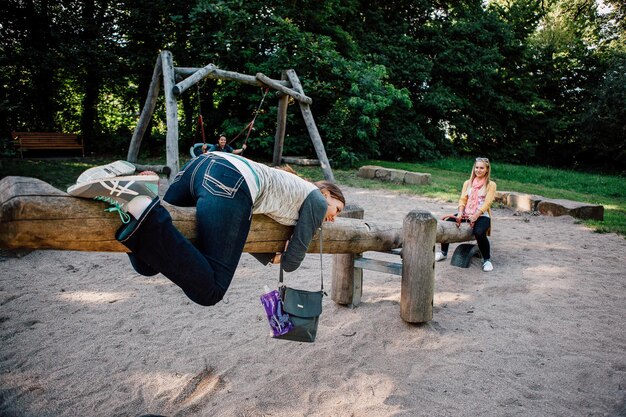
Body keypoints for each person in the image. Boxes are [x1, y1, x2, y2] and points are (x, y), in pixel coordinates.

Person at [67, 152, 345, 306]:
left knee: (148, 264)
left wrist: (268, 256)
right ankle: (141, 199)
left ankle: (130, 197)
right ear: (328, 194)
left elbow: (240, 230)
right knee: (210, 291)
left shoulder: (291, 194)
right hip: (230, 180)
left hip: (199, 168)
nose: (334, 216)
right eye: (338, 208)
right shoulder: (316, 201)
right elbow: (295, 260)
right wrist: (285, 257)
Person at [435, 157, 497, 272]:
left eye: (481, 168)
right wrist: (460, 212)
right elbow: (463, 199)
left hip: (482, 215)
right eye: (476, 167)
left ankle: (487, 259)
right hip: (466, 213)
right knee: (446, 224)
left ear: (487, 170)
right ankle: (443, 253)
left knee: (479, 232)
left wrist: (477, 214)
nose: (478, 170)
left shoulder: (491, 185)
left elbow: (488, 202)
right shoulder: (467, 183)